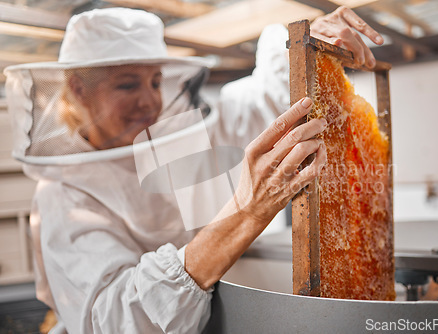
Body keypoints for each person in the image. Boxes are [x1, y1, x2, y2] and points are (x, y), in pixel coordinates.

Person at [4, 6, 383, 334]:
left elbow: (258, 104)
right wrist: (246, 211)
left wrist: (305, 42)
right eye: (127, 84)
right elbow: (115, 320)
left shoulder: (172, 145)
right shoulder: (62, 195)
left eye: (155, 81)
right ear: (79, 89)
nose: (150, 100)